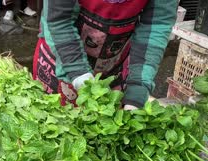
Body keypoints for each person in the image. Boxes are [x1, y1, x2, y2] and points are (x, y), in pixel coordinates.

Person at [33, 0, 178, 109]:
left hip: (112, 60)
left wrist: (139, 85)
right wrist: (78, 73)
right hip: (63, 54)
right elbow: (59, 20)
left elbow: (157, 24)